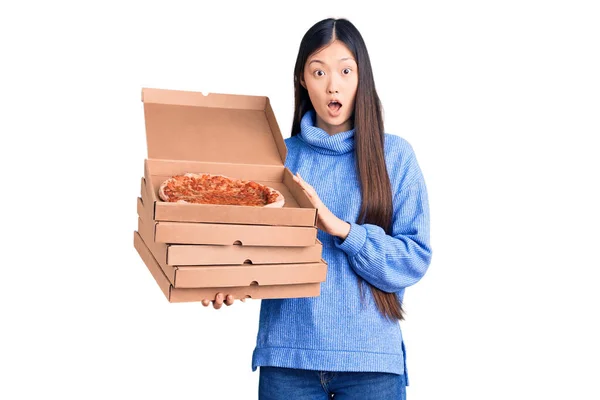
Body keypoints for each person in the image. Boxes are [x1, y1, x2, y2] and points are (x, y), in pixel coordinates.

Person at [202, 17, 432, 399]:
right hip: (288, 361)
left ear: (362, 78)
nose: (332, 84)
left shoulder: (395, 157)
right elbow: (253, 251)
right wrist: (228, 281)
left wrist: (340, 228)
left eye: (345, 70)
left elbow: (414, 259)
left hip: (370, 365)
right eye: (319, 71)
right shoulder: (279, 159)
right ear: (302, 81)